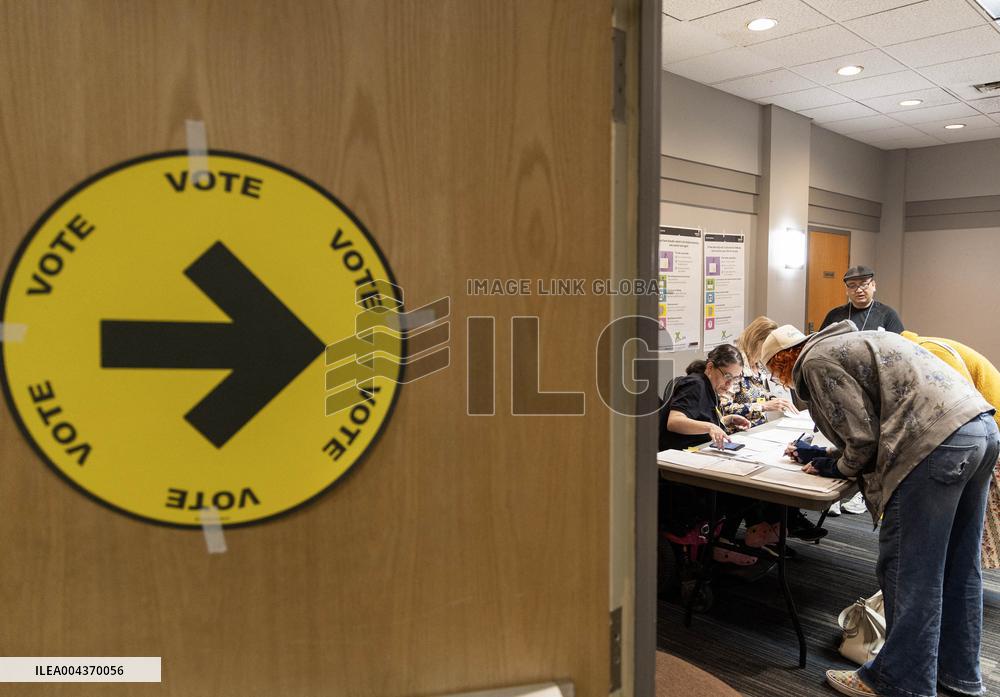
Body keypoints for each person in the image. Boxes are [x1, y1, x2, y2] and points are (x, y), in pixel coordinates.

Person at [751, 321, 998, 697]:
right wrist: (832, 454)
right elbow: (874, 421)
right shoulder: (851, 340)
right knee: (961, 567)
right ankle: (958, 674)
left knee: (910, 572)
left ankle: (900, 682)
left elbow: (863, 441)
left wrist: (837, 465)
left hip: (932, 445)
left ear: (781, 363)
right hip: (980, 430)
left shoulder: (814, 362)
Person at [660, 344, 780, 560]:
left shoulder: (708, 388)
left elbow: (699, 418)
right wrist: (710, 427)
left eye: (735, 379)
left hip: (696, 455)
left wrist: (725, 420)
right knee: (743, 487)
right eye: (727, 376)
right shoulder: (695, 384)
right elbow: (675, 422)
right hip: (679, 465)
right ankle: (730, 540)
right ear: (710, 367)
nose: (730, 384)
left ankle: (735, 537)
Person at [901, 330, 1000, 571]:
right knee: (975, 521)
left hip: (990, 421)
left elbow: (954, 409)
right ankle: (960, 570)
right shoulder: (924, 347)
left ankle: (960, 569)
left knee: (983, 518)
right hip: (986, 422)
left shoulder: (929, 353)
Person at [721, 316, 825, 542]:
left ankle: (785, 521)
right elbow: (724, 406)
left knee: (791, 458)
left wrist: (774, 399)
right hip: (740, 435)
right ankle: (767, 526)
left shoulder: (759, 366)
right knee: (775, 470)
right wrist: (764, 405)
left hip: (763, 431)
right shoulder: (736, 364)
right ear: (756, 340)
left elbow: (761, 393)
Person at [820, 265, 903, 517]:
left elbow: (899, 348)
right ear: (846, 289)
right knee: (841, 436)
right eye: (853, 286)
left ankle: (859, 491)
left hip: (874, 387)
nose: (859, 290)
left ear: (874, 285)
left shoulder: (887, 315)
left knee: (868, 438)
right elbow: (820, 345)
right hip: (840, 386)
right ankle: (833, 489)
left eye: (864, 284)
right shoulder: (836, 315)